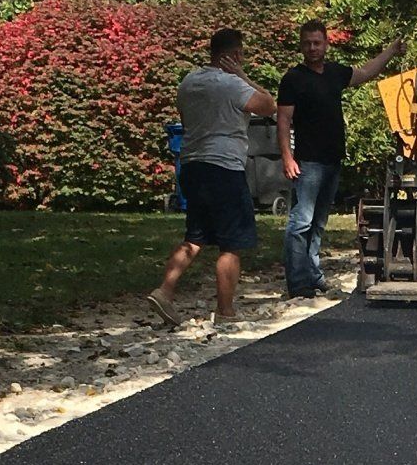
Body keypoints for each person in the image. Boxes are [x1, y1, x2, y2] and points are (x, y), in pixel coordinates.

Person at [148, 29, 276, 332]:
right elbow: (269, 105)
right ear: (236, 55)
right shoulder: (232, 84)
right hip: (224, 168)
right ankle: (226, 311)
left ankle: (164, 291)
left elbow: (186, 119)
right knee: (231, 243)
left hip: (192, 165)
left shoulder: (188, 82)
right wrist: (244, 76)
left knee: (195, 237)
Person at [274, 19, 403, 299]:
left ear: (326, 44)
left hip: (332, 159)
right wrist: (287, 156)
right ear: (301, 46)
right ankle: (298, 282)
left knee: (318, 223)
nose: (312, 48)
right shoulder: (293, 79)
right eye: (307, 43)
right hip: (307, 162)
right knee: (300, 222)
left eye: (317, 43)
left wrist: (391, 51)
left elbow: (366, 72)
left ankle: (313, 275)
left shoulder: (334, 73)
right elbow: (283, 120)